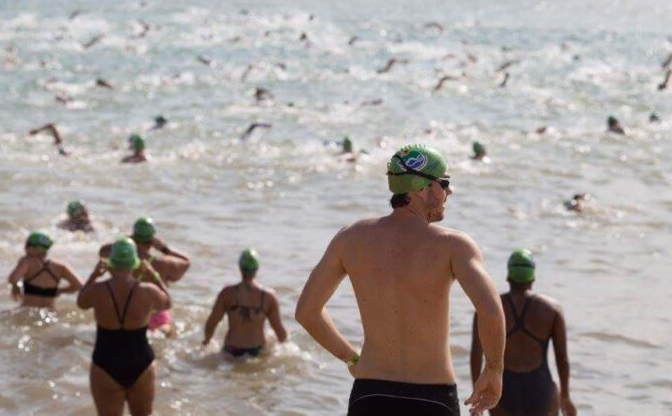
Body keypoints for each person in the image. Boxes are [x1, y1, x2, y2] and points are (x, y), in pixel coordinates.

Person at [295, 144, 506, 416]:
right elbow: (490, 309)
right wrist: (493, 370)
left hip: (370, 394)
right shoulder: (453, 245)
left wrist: (352, 358)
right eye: (444, 183)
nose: (449, 192)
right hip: (432, 397)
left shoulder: (350, 238)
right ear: (421, 188)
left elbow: (307, 312)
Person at [470, 249, 576, 416]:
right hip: (541, 389)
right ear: (533, 277)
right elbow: (562, 358)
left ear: (508, 276)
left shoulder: (490, 308)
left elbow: (476, 354)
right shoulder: (552, 310)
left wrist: (477, 396)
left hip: (503, 390)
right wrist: (566, 397)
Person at [78, 238, 170, 416]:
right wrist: (153, 275)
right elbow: (167, 304)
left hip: (105, 362)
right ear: (135, 265)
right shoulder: (148, 290)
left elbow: (81, 302)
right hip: (141, 362)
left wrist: (94, 275)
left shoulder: (98, 290)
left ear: (110, 264)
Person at [99, 217, 190, 336]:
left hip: (128, 313)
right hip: (156, 315)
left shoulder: (121, 262)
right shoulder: (162, 263)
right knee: (165, 331)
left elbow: (102, 251)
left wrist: (125, 242)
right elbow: (186, 262)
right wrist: (164, 249)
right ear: (152, 240)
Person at [202, 248, 288, 357]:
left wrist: (207, 340)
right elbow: (279, 330)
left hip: (231, 349)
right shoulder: (269, 296)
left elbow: (211, 323)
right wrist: (285, 345)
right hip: (257, 350)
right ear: (257, 268)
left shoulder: (227, 293)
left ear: (240, 268)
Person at [7, 232, 82, 308]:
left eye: (27, 245)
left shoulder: (27, 261)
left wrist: (16, 287)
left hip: (28, 310)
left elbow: (13, 279)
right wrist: (60, 291)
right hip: (50, 311)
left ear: (34, 247)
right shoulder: (61, 266)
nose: (25, 248)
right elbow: (79, 285)